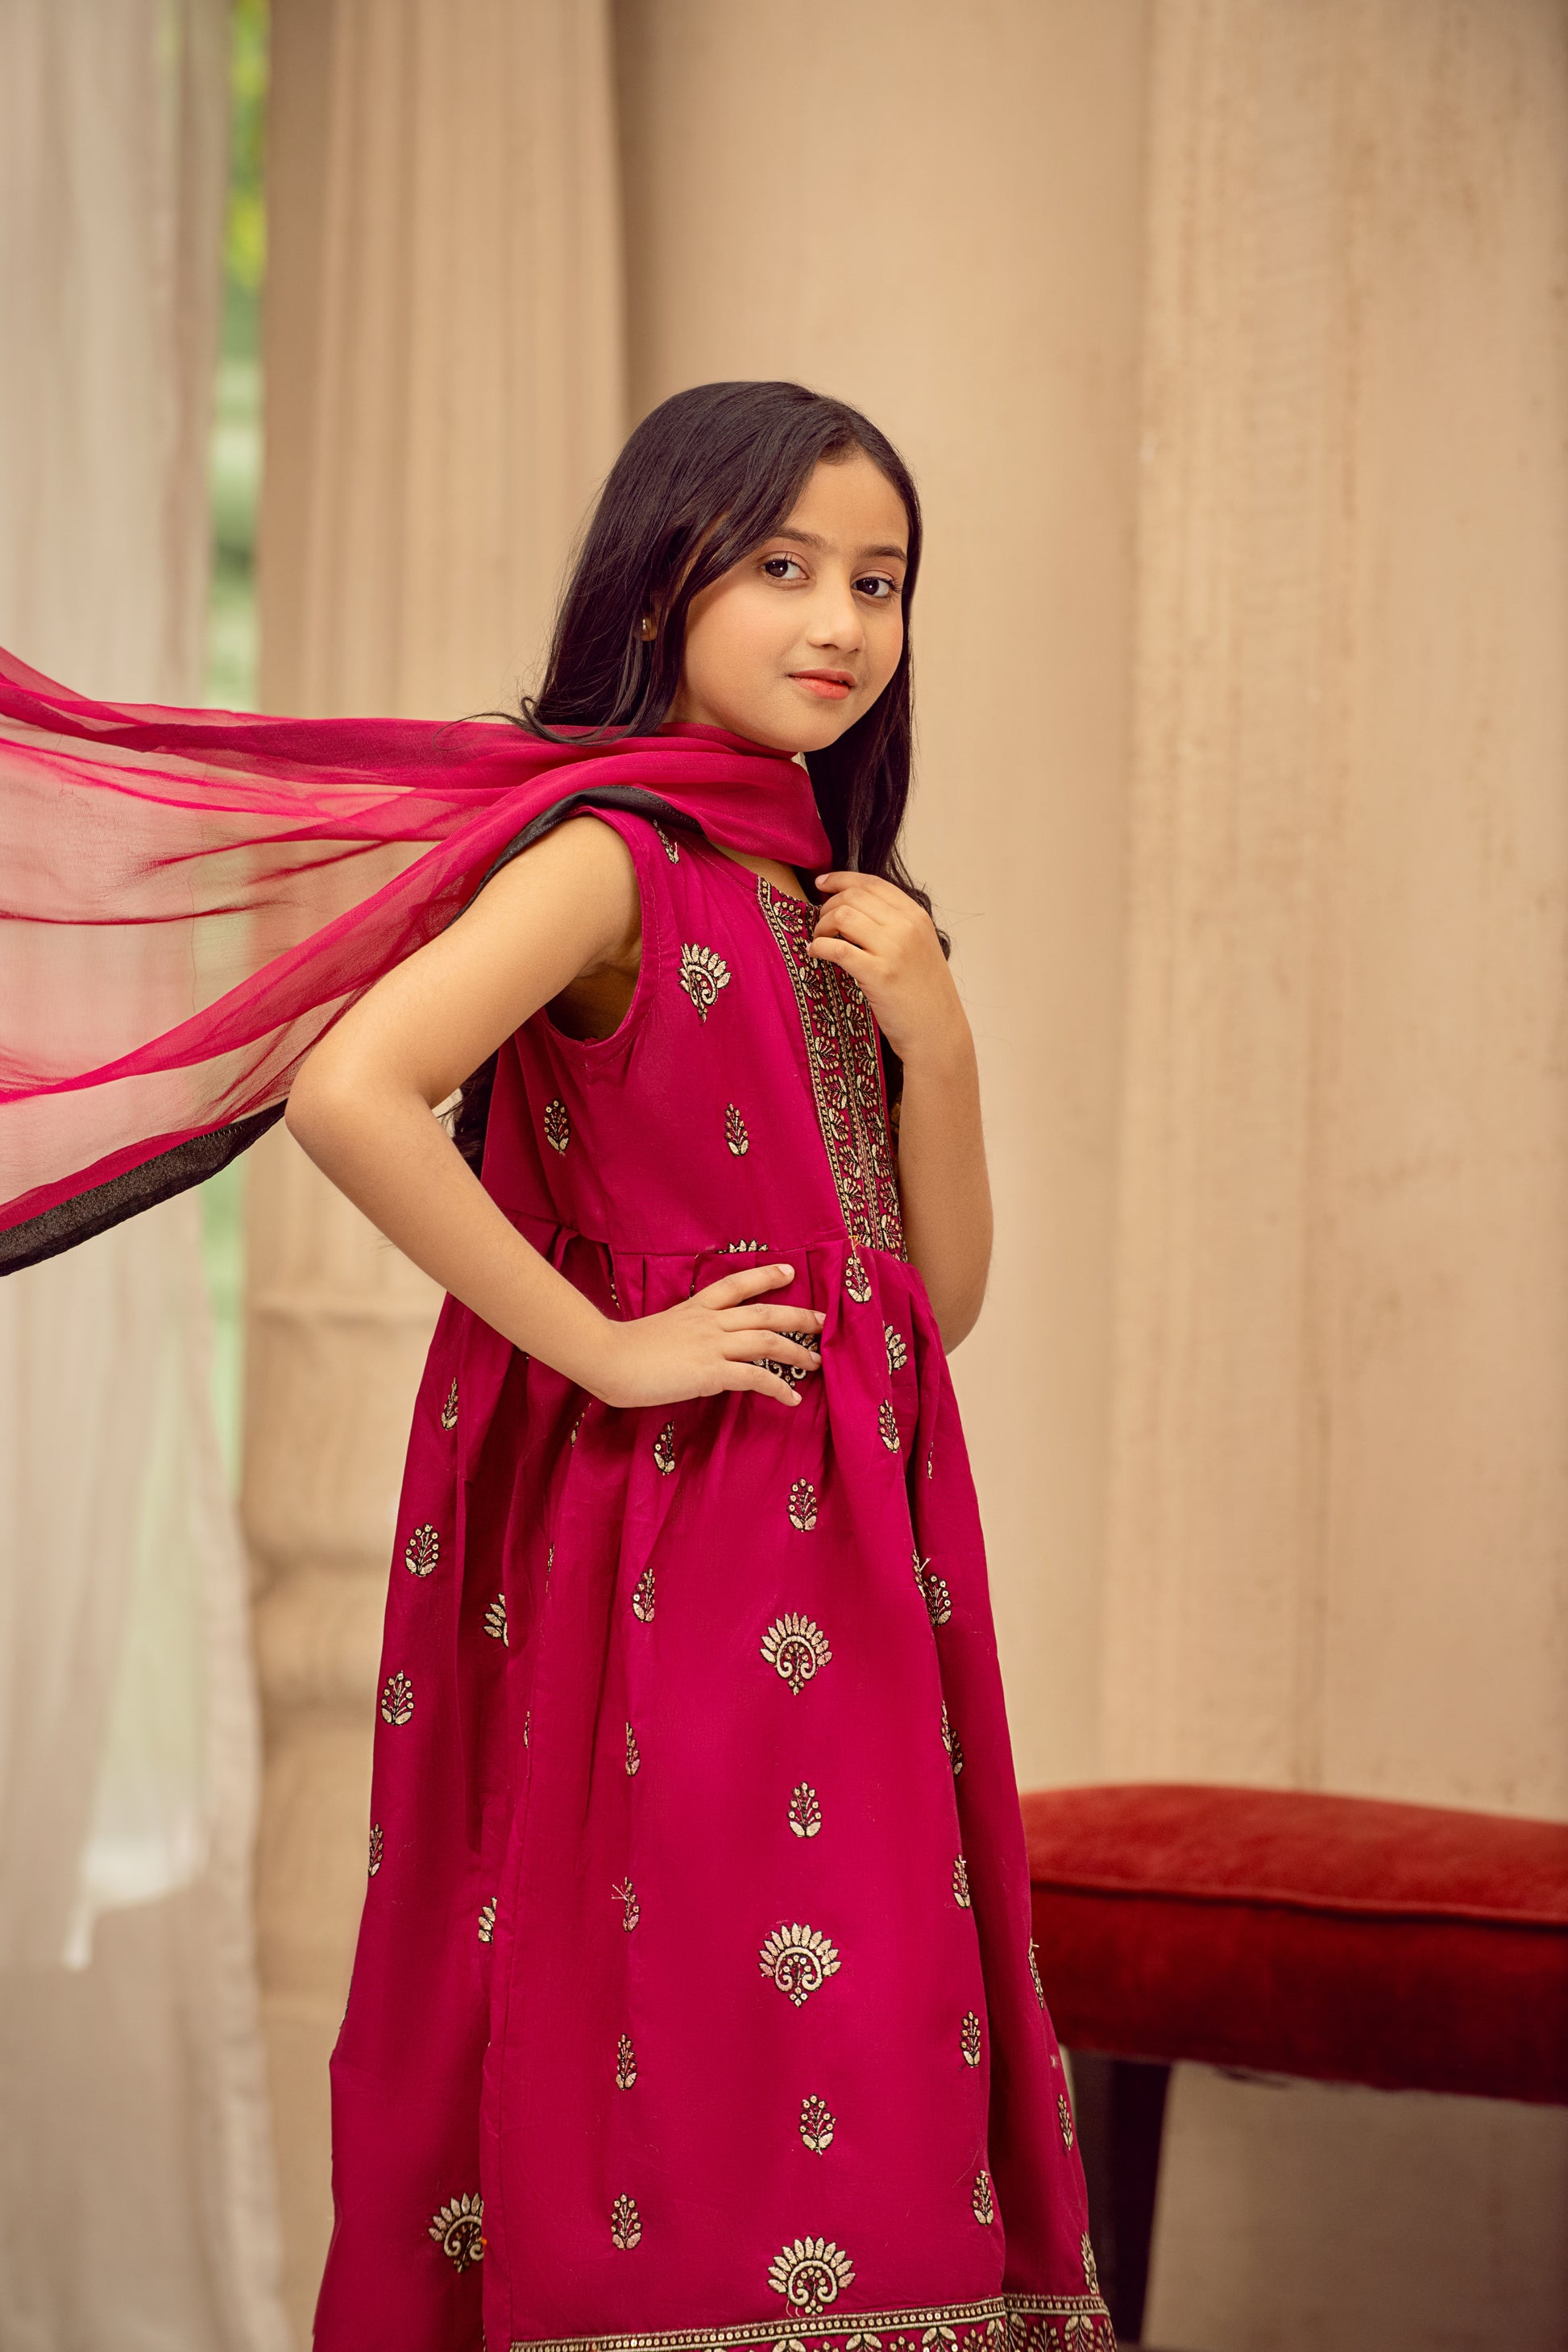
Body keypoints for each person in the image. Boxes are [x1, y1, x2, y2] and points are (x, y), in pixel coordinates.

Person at [0, 380, 1111, 2352]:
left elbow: (929, 1304)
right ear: (663, 579)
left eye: (879, 580)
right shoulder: (615, 857)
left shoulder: (839, 901)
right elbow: (353, 1088)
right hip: (680, 1533)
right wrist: (605, 1340)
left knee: (872, 2005)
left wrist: (937, 1040)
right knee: (678, 2008)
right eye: (783, 568)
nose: (840, 621)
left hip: (865, 1547)